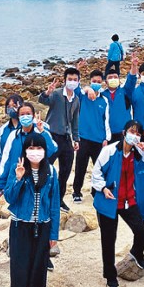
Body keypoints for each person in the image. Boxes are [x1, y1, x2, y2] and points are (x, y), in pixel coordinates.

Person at [2, 118, 60, 287]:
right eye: (31, 147)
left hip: (42, 226)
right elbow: (9, 197)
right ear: (25, 150)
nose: (35, 151)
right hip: (20, 226)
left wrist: (54, 234)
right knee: (21, 268)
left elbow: (54, 205)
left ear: (44, 150)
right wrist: (18, 179)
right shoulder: (18, 169)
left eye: (38, 147)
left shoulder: (51, 172)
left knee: (39, 268)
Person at [92, 120, 144, 287]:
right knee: (109, 240)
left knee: (142, 232)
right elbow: (96, 173)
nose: (135, 135)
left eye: (138, 133)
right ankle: (110, 276)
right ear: (124, 133)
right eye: (132, 131)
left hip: (129, 201)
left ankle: (136, 253)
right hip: (109, 200)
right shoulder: (109, 151)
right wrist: (103, 188)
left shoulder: (139, 154)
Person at [39, 68, 81, 212]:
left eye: (75, 79)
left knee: (66, 170)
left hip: (66, 138)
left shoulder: (76, 99)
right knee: (44, 168)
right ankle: (42, 198)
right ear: (65, 80)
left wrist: (76, 139)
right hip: (52, 136)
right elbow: (43, 101)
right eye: (70, 79)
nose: (72, 82)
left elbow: (75, 121)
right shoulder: (56, 94)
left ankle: (59, 200)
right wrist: (47, 92)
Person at [72, 70, 111, 204]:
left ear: (103, 83)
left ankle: (96, 190)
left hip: (99, 139)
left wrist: (107, 138)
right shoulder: (83, 96)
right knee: (80, 167)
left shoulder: (104, 100)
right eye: (94, 82)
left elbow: (106, 120)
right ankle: (77, 192)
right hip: (83, 138)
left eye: (99, 82)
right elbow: (76, 88)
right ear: (90, 81)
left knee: (99, 168)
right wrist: (87, 88)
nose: (96, 84)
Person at [102, 66, 133, 143]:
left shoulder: (125, 91)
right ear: (106, 81)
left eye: (115, 77)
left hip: (124, 132)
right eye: (110, 77)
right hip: (107, 135)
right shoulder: (102, 95)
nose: (113, 79)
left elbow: (131, 79)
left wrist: (134, 65)